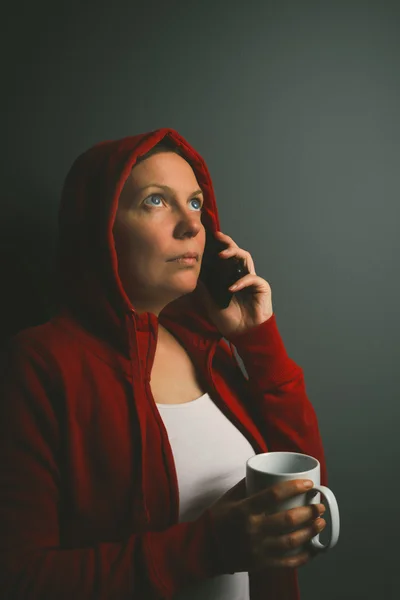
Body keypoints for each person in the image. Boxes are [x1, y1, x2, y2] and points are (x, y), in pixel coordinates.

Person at [0, 128, 328, 600]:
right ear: (100, 229)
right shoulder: (40, 364)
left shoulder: (207, 348)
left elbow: (304, 491)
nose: (192, 226)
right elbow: (21, 580)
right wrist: (208, 546)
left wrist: (258, 340)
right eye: (156, 201)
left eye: (195, 203)